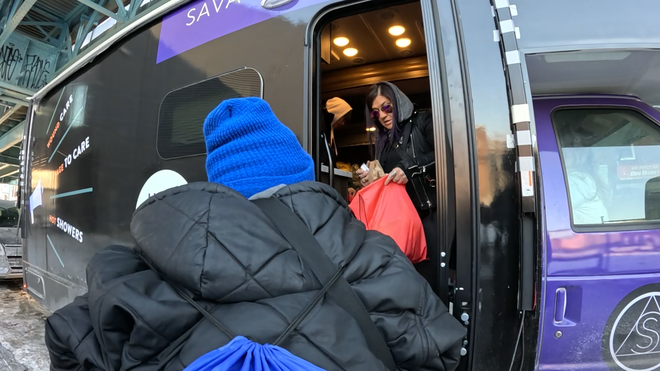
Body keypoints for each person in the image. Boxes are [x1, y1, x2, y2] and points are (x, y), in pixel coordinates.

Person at [44, 97, 465, 371]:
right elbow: (439, 352)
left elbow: (66, 335)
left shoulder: (146, 270)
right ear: (300, 173)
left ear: (221, 186)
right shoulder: (374, 253)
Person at [357, 82, 439, 289]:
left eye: (386, 107)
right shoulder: (383, 142)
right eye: (376, 112)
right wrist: (370, 179)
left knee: (427, 279)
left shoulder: (423, 121)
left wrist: (409, 168)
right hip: (398, 220)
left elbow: (445, 154)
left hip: (427, 215)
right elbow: (388, 179)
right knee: (400, 279)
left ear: (398, 102)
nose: (383, 116)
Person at [322, 97, 352, 162]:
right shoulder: (322, 128)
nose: (343, 123)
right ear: (336, 114)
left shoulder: (329, 130)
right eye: (343, 118)